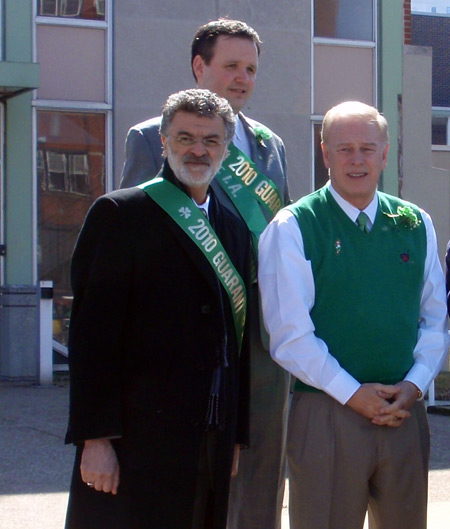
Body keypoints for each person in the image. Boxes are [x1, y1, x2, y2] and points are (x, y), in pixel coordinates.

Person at [120, 18, 290, 529]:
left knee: (260, 467)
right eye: (231, 66)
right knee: (190, 469)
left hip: (259, 334)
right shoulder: (152, 138)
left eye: (251, 69)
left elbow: (281, 239)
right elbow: (133, 237)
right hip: (185, 335)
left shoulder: (269, 146)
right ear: (200, 67)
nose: (243, 78)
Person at [64, 89, 252, 529]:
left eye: (210, 140)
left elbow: (236, 343)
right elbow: (91, 337)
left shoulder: (235, 228)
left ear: (226, 148)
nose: (198, 150)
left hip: (210, 437)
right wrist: (95, 438)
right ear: (164, 143)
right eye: (185, 138)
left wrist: (236, 438)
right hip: (135, 440)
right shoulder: (120, 214)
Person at [258, 101, 449, 529]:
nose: (357, 159)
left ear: (385, 153)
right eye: (344, 149)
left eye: (368, 147)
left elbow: (435, 319)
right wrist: (352, 393)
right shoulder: (294, 226)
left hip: (403, 412)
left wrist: (415, 385)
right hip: (326, 411)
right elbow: (289, 336)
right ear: (325, 154)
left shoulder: (415, 223)